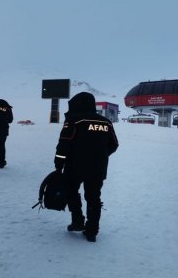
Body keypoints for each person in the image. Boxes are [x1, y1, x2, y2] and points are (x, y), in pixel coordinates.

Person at [54, 92, 118, 242]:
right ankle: (92, 231)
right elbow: (114, 144)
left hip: (75, 166)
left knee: (71, 191)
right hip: (98, 167)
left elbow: (64, 144)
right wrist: (101, 155)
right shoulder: (106, 122)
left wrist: (59, 164)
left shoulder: (73, 120)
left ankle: (77, 221)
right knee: (94, 197)